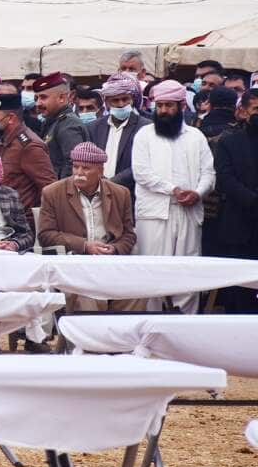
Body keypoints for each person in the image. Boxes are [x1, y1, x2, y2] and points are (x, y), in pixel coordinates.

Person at [131, 80, 216, 313]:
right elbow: (141, 173)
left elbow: (208, 172)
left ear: (181, 106)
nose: (164, 111)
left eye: (169, 105)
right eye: (160, 106)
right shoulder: (144, 136)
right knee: (152, 275)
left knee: (187, 276)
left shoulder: (196, 136)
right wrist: (173, 190)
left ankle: (184, 333)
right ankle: (151, 331)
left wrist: (197, 193)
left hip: (188, 213)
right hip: (154, 214)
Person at [38, 142, 140, 312]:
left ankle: (119, 337)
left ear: (100, 170)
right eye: (76, 167)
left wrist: (114, 249)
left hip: (111, 264)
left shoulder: (120, 193)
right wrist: (85, 246)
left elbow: (129, 235)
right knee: (88, 297)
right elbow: (45, 235)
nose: (79, 173)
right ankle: (90, 337)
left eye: (86, 168)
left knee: (138, 293)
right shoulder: (53, 192)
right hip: (74, 264)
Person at [213, 89, 258, 312]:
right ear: (243, 112)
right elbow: (225, 178)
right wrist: (252, 201)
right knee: (239, 293)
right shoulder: (228, 142)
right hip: (238, 226)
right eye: (256, 109)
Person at [0, 93, 55, 227]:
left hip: (22, 223)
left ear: (11, 118)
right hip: (3, 219)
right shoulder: (4, 139)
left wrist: (37, 219)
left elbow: (49, 187)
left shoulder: (28, 145)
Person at [88, 73, 150, 196]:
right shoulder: (93, 127)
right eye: (115, 100)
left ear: (132, 100)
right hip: (98, 193)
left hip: (130, 194)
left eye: (125, 99)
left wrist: (112, 183)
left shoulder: (145, 127)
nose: (121, 104)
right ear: (106, 102)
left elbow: (144, 164)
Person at [32, 72, 87, 178]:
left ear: (61, 98)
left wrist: (60, 192)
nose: (38, 103)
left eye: (43, 97)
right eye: (36, 98)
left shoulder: (68, 124)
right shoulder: (52, 121)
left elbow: (72, 165)